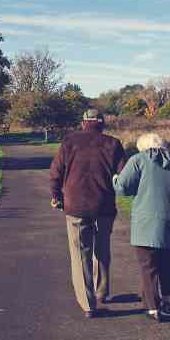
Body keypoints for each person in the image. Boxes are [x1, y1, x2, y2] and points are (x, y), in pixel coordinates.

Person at [113, 133, 170, 322]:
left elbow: (122, 188)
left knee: (148, 266)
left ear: (143, 147)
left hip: (144, 226)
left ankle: (154, 308)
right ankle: (168, 301)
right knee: (165, 262)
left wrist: (115, 178)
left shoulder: (138, 160)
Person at [50, 109, 126, 318]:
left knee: (80, 254)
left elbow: (56, 171)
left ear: (84, 122)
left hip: (75, 206)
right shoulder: (113, 143)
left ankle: (88, 304)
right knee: (102, 249)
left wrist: (56, 195)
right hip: (104, 206)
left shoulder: (69, 142)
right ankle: (102, 292)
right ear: (101, 123)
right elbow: (124, 175)